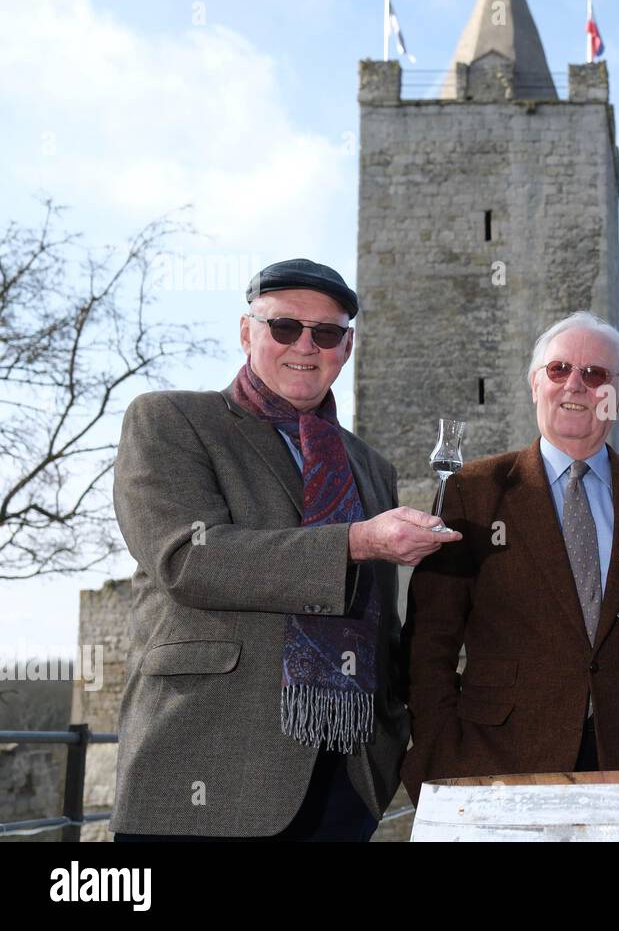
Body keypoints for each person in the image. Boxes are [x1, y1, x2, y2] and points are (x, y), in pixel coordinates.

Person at [111, 259, 459, 841]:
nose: (306, 345)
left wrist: (394, 732)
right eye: (284, 327)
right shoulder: (170, 418)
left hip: (346, 776)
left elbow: (383, 620)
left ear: (345, 348)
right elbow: (189, 559)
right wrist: (358, 540)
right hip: (206, 766)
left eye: (326, 333)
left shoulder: (371, 467)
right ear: (247, 332)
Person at [401, 312, 619, 797]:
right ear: (534, 384)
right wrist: (438, 750)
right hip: (498, 763)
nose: (576, 384)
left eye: (595, 374)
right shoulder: (473, 492)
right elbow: (428, 639)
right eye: (559, 369)